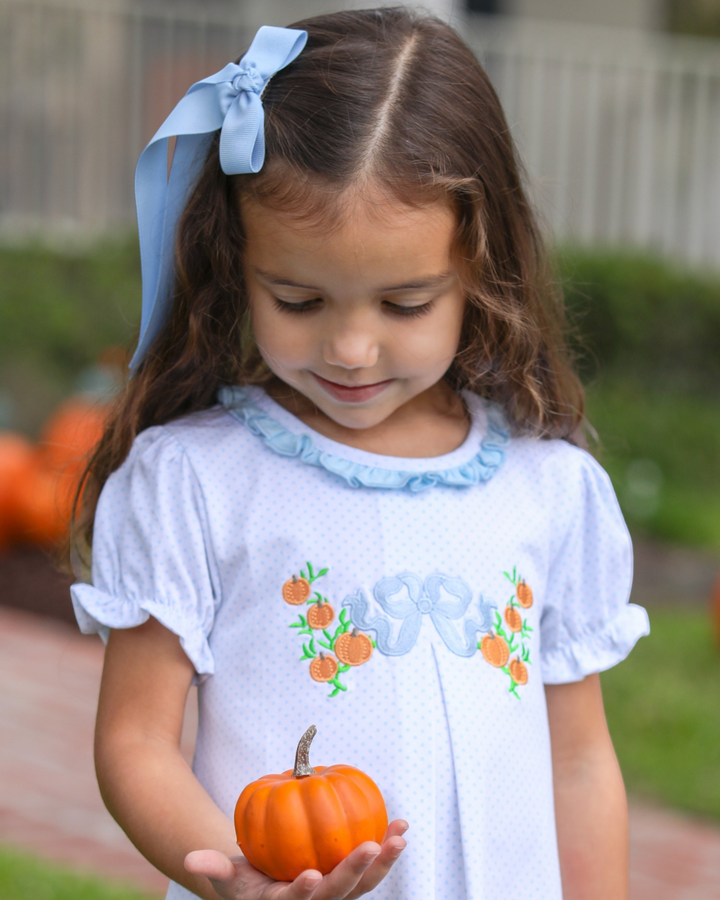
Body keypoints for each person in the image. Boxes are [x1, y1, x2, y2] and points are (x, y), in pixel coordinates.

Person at [70, 8, 650, 900]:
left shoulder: (550, 487)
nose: (349, 348)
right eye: (299, 299)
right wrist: (235, 877)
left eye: (405, 305)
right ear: (238, 265)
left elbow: (578, 765)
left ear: (479, 272)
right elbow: (137, 742)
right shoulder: (195, 481)